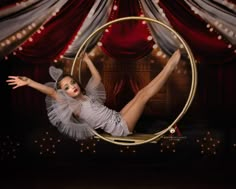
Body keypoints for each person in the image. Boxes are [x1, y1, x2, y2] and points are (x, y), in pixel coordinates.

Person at [6, 50, 181, 140]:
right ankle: (169, 68)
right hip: (119, 128)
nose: (71, 87)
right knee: (143, 96)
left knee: (139, 94)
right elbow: (51, 91)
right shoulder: (72, 106)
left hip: (118, 116)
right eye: (66, 87)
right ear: (64, 93)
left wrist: (88, 60)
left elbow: (97, 78)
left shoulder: (87, 96)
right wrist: (29, 82)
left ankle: (169, 68)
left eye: (72, 83)